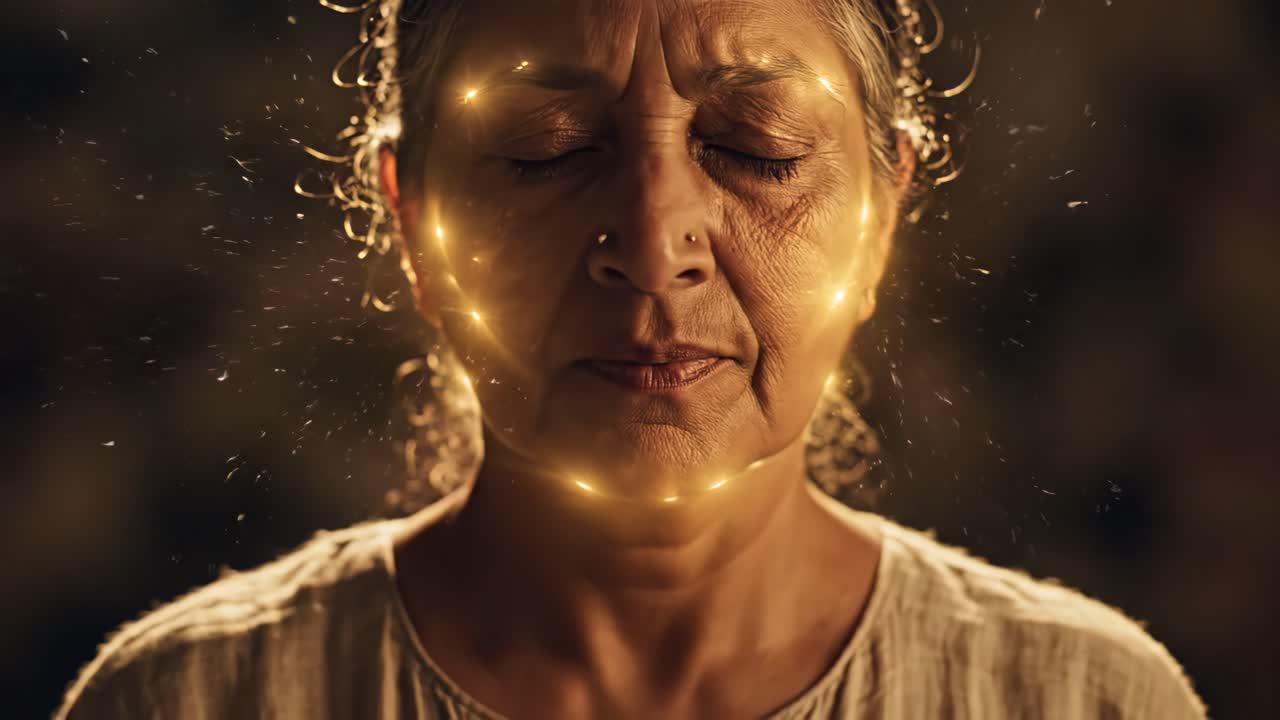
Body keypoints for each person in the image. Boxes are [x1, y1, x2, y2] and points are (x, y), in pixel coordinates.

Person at [56, 0, 1207, 717]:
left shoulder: (1080, 700)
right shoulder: (195, 700)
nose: (655, 248)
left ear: (883, 213)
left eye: (755, 151)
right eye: (549, 152)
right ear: (409, 219)